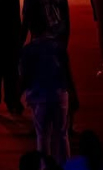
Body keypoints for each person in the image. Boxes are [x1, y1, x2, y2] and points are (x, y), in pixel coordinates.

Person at [20, 16, 72, 166]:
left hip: (39, 95)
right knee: (62, 134)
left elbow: (25, 75)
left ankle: (44, 166)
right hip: (59, 93)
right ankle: (65, 165)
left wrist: (19, 93)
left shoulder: (28, 50)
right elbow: (67, 71)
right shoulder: (58, 46)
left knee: (42, 136)